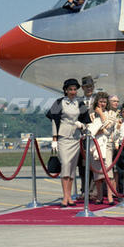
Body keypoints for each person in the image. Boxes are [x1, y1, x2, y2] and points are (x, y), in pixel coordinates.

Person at [46, 78, 91, 207]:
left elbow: (87, 121)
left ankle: (69, 196)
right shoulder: (59, 102)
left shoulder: (80, 103)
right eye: (70, 89)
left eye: (75, 89)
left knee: (71, 169)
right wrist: (54, 139)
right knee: (65, 165)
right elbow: (54, 121)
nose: (73, 92)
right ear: (65, 90)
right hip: (63, 137)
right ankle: (65, 197)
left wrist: (81, 125)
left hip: (75, 139)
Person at [87, 91, 117, 204]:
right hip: (95, 145)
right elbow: (89, 129)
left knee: (108, 172)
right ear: (97, 102)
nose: (103, 104)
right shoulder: (91, 114)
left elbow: (108, 126)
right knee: (98, 173)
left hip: (107, 144)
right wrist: (99, 129)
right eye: (101, 102)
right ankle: (99, 196)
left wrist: (101, 114)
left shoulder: (111, 113)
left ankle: (110, 196)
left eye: (104, 102)